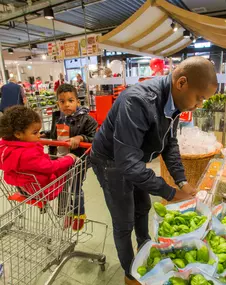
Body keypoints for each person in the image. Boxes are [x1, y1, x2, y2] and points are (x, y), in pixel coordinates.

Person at [90, 56, 218, 285]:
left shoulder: (175, 102)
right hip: (110, 161)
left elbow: (168, 143)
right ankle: (132, 275)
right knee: (124, 220)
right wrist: (169, 192)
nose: (199, 105)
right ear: (181, 83)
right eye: (199, 98)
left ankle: (145, 249)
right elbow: (126, 163)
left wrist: (181, 181)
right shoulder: (137, 101)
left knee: (143, 206)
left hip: (132, 157)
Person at [42, 83, 98, 230]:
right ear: (58, 103)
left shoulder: (87, 120)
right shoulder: (57, 118)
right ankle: (67, 213)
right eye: (62, 101)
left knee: (75, 188)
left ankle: (79, 214)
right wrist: (43, 135)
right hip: (57, 159)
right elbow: (55, 134)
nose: (66, 104)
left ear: (78, 102)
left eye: (70, 100)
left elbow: (95, 137)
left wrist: (80, 138)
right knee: (61, 187)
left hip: (77, 160)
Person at [0, 105, 76, 202]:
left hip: (25, 187)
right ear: (18, 134)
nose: (39, 136)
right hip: (46, 190)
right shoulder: (28, 154)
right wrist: (69, 158)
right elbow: (49, 167)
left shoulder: (5, 149)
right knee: (64, 167)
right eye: (35, 133)